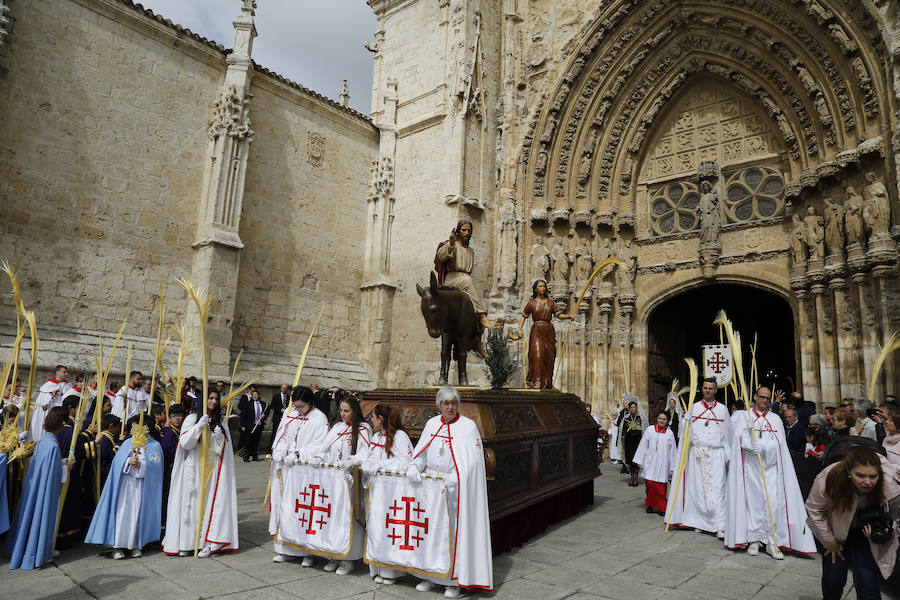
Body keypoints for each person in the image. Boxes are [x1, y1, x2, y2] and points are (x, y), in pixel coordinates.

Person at [407, 386, 493, 597]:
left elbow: (472, 462)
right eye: (446, 403)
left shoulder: (468, 427)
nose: (450, 407)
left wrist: (456, 477)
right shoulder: (431, 424)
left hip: (454, 492)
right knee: (429, 534)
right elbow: (422, 453)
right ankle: (429, 575)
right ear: (439, 405)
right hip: (430, 489)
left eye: (454, 403)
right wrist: (414, 466)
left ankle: (452, 581)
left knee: (451, 536)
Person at [725, 387, 816, 559]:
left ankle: (771, 540)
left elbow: (780, 444)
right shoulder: (744, 417)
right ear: (755, 397)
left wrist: (765, 446)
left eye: (767, 398)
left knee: (772, 503)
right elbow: (736, 440)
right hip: (750, 469)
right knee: (751, 503)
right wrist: (747, 443)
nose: (765, 401)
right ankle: (753, 539)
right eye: (762, 397)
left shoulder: (775, 419)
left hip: (770, 469)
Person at [806, 447, 900, 600]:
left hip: (867, 535)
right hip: (834, 531)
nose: (867, 482)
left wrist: (886, 531)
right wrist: (828, 541)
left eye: (873, 476)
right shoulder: (828, 478)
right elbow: (814, 509)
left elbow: (896, 516)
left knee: (868, 584)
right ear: (848, 471)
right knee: (833, 580)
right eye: (860, 476)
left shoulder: (890, 484)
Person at [162, 390, 238, 557]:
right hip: (193, 466)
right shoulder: (191, 418)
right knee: (190, 504)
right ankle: (186, 543)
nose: (213, 401)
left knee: (208, 505)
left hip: (212, 468)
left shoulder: (221, 421)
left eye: (216, 399)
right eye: (210, 398)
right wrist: (198, 427)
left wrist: (218, 438)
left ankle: (204, 542)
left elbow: (223, 449)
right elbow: (185, 443)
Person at [306, 395, 374, 575]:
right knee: (332, 518)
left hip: (351, 481)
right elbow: (325, 449)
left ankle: (348, 559)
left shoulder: (363, 429)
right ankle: (333, 554)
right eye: (341, 411)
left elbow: (365, 453)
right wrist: (320, 457)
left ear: (355, 411)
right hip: (332, 481)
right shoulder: (336, 427)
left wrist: (353, 460)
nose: (343, 414)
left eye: (347, 411)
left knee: (348, 519)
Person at [85, 416, 164, 559]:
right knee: (122, 515)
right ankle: (117, 546)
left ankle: (134, 544)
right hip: (125, 486)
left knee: (137, 515)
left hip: (142, 487)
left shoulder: (155, 446)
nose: (132, 431)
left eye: (135, 427)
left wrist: (142, 465)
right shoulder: (128, 443)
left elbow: (156, 471)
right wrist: (128, 461)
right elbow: (116, 464)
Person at [4, 407, 73, 569]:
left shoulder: (42, 441)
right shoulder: (53, 446)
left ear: (43, 426)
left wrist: (61, 463)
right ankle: (39, 553)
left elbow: (46, 465)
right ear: (62, 428)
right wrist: (66, 466)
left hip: (33, 485)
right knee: (42, 517)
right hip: (44, 490)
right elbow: (53, 471)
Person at [665, 378, 732, 538]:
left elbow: (728, 434)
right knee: (698, 489)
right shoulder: (693, 408)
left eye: (711, 388)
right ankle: (699, 522)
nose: (708, 391)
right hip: (697, 454)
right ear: (702, 389)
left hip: (716, 454)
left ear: (716, 390)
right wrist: (684, 423)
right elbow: (685, 435)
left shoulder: (723, 410)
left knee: (718, 488)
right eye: (705, 388)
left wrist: (729, 458)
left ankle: (719, 525)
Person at [270, 386, 330, 565]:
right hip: (287, 471)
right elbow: (283, 436)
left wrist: (297, 454)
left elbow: (321, 446)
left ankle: (306, 552)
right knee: (285, 508)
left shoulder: (320, 418)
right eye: (295, 406)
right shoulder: (291, 414)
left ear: (310, 403)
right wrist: (280, 451)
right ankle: (285, 548)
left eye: (301, 407)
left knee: (303, 510)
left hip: (305, 472)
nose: (298, 410)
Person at [361, 403, 414, 584]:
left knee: (391, 530)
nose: (372, 421)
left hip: (393, 494)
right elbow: (370, 458)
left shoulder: (400, 437)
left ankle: (391, 572)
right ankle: (377, 566)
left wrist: (381, 467)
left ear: (381, 419)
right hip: (376, 491)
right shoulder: (376, 436)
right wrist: (368, 465)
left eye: (374, 418)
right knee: (375, 529)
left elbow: (405, 463)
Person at [512, 279, 572, 389]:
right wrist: (519, 329)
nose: (543, 288)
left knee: (549, 356)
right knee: (537, 354)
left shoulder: (551, 302)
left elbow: (558, 315)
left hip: (548, 331)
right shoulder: (532, 303)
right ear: (536, 289)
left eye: (544, 286)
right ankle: (537, 381)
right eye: (540, 286)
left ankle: (547, 381)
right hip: (537, 330)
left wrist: (568, 316)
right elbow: (523, 316)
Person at [632, 411, 678, 516]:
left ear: (667, 421)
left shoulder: (669, 433)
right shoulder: (650, 430)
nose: (662, 421)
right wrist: (640, 460)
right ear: (657, 419)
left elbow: (673, 452)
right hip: (650, 462)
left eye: (664, 419)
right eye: (660, 418)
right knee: (650, 484)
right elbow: (643, 445)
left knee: (661, 486)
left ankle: (661, 507)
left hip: (663, 464)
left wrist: (672, 467)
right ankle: (651, 505)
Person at [30, 364, 70, 441]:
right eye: (64, 372)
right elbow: (43, 401)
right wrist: (51, 395)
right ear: (57, 372)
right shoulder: (48, 385)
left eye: (66, 372)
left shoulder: (67, 385)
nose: (66, 374)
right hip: (49, 412)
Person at [619, 400, 644, 487]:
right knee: (630, 461)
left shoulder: (640, 418)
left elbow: (642, 429)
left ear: (636, 408)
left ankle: (636, 478)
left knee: (635, 461)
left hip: (637, 442)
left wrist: (636, 430)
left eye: (634, 407)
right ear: (629, 409)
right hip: (628, 441)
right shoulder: (626, 418)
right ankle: (631, 477)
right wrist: (627, 431)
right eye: (631, 407)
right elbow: (622, 430)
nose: (633, 409)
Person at [240, 389, 268, 462]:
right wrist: (243, 425)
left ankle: (255, 457)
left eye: (256, 395)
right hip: (250, 426)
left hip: (259, 425)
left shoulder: (263, 404)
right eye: (253, 395)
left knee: (256, 441)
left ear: (259, 395)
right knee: (248, 442)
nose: (255, 396)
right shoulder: (248, 404)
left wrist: (264, 416)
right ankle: (246, 457)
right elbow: (243, 415)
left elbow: (266, 412)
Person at [269, 383, 291, 451]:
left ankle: (282, 449)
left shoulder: (289, 397)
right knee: (275, 432)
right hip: (277, 418)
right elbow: (272, 406)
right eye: (283, 388)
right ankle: (272, 448)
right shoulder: (276, 396)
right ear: (280, 389)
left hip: (286, 418)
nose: (284, 389)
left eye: (285, 388)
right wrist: (280, 409)